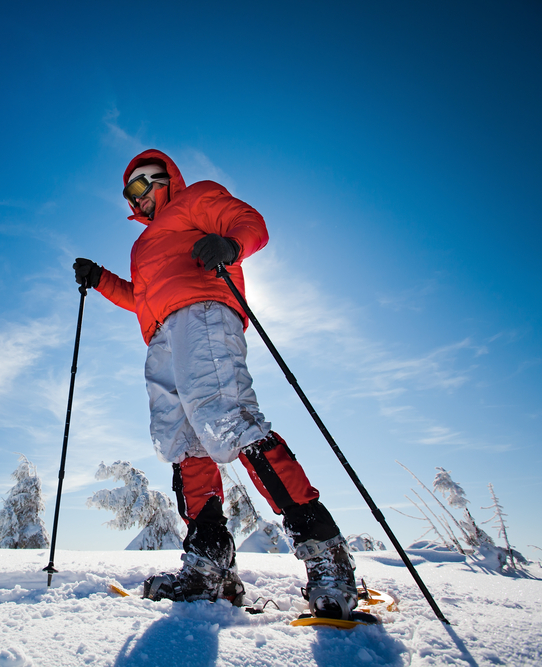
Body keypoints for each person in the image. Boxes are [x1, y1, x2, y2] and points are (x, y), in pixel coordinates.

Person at [73, 149, 358, 619]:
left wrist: (231, 247)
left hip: (203, 312)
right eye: (128, 195)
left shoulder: (195, 199)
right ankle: (210, 564)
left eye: (140, 187)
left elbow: (249, 221)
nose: (135, 200)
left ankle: (325, 553)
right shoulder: (142, 246)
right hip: (160, 335)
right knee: (183, 443)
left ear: (163, 180)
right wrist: (102, 279)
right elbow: (139, 297)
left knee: (230, 422)